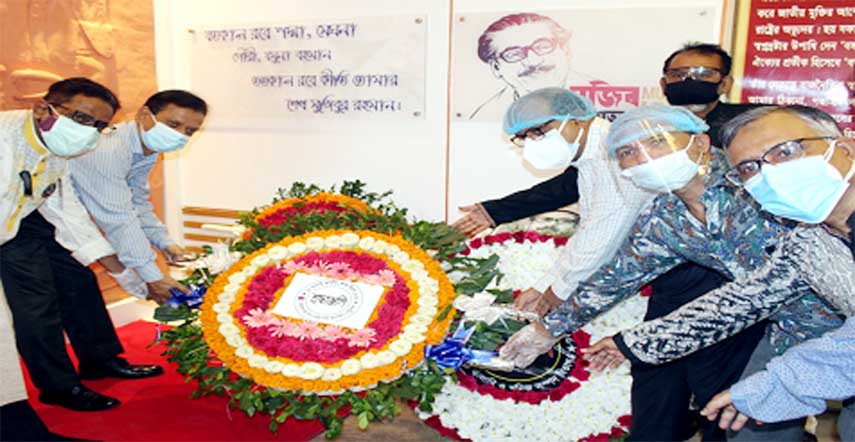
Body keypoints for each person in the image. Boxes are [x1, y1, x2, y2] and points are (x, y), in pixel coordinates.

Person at [499, 105, 841, 441]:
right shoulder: (667, 216)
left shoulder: (759, 188)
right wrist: (549, 329)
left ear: (701, 143)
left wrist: (636, 343)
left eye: (658, 141)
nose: (644, 157)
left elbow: (754, 295)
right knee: (752, 429)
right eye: (628, 151)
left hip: (837, 325)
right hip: (794, 334)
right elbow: (617, 276)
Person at [0, 77, 162, 413]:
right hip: (7, 229)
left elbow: (70, 215)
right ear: (43, 108)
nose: (89, 131)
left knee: (78, 280)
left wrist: (134, 281)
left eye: (100, 125)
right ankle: (59, 387)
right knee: (37, 305)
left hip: (27, 218)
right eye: (82, 118)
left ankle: (100, 359)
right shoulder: (5, 139)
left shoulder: (58, 149)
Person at [70, 90, 207, 304]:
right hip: (38, 227)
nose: (181, 135)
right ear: (144, 115)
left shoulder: (147, 148)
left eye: (190, 131)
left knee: (86, 314)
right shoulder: (109, 150)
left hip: (70, 229)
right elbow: (119, 219)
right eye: (173, 125)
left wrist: (166, 244)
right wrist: (154, 277)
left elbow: (137, 203)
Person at [469, 13, 591, 119]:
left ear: (565, 50)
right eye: (514, 54)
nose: (533, 61)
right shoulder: (484, 114)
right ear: (496, 67)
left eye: (543, 46)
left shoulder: (602, 97)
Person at [660, 42, 760, 147]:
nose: (690, 81)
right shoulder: (651, 126)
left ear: (725, 84)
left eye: (703, 74)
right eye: (679, 74)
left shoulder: (750, 123)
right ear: (663, 85)